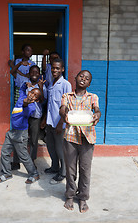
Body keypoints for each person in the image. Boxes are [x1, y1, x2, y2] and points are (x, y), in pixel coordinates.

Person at [59, 70, 101, 213]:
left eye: (87, 78)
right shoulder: (67, 96)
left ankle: (82, 197)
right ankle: (70, 195)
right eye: (81, 76)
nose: (83, 79)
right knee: (70, 169)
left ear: (89, 83)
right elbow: (62, 108)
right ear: (75, 78)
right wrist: (64, 114)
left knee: (85, 169)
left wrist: (97, 115)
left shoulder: (93, 97)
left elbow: (96, 109)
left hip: (87, 138)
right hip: (71, 137)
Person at [0, 88, 42, 184]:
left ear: (36, 100)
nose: (32, 95)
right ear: (28, 92)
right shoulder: (22, 96)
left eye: (35, 96)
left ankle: (34, 174)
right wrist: (25, 85)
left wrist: (26, 103)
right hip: (12, 132)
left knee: (24, 156)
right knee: (4, 152)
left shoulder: (32, 107)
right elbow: (21, 90)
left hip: (21, 134)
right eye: (32, 92)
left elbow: (25, 109)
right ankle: (7, 173)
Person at [41, 58, 72, 184]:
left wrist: (61, 123)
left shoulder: (65, 84)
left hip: (60, 123)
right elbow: (49, 104)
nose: (55, 70)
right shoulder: (51, 83)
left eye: (57, 68)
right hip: (50, 122)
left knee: (60, 149)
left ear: (62, 69)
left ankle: (63, 172)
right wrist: (44, 119)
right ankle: (54, 167)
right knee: (51, 147)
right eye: (53, 68)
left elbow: (68, 106)